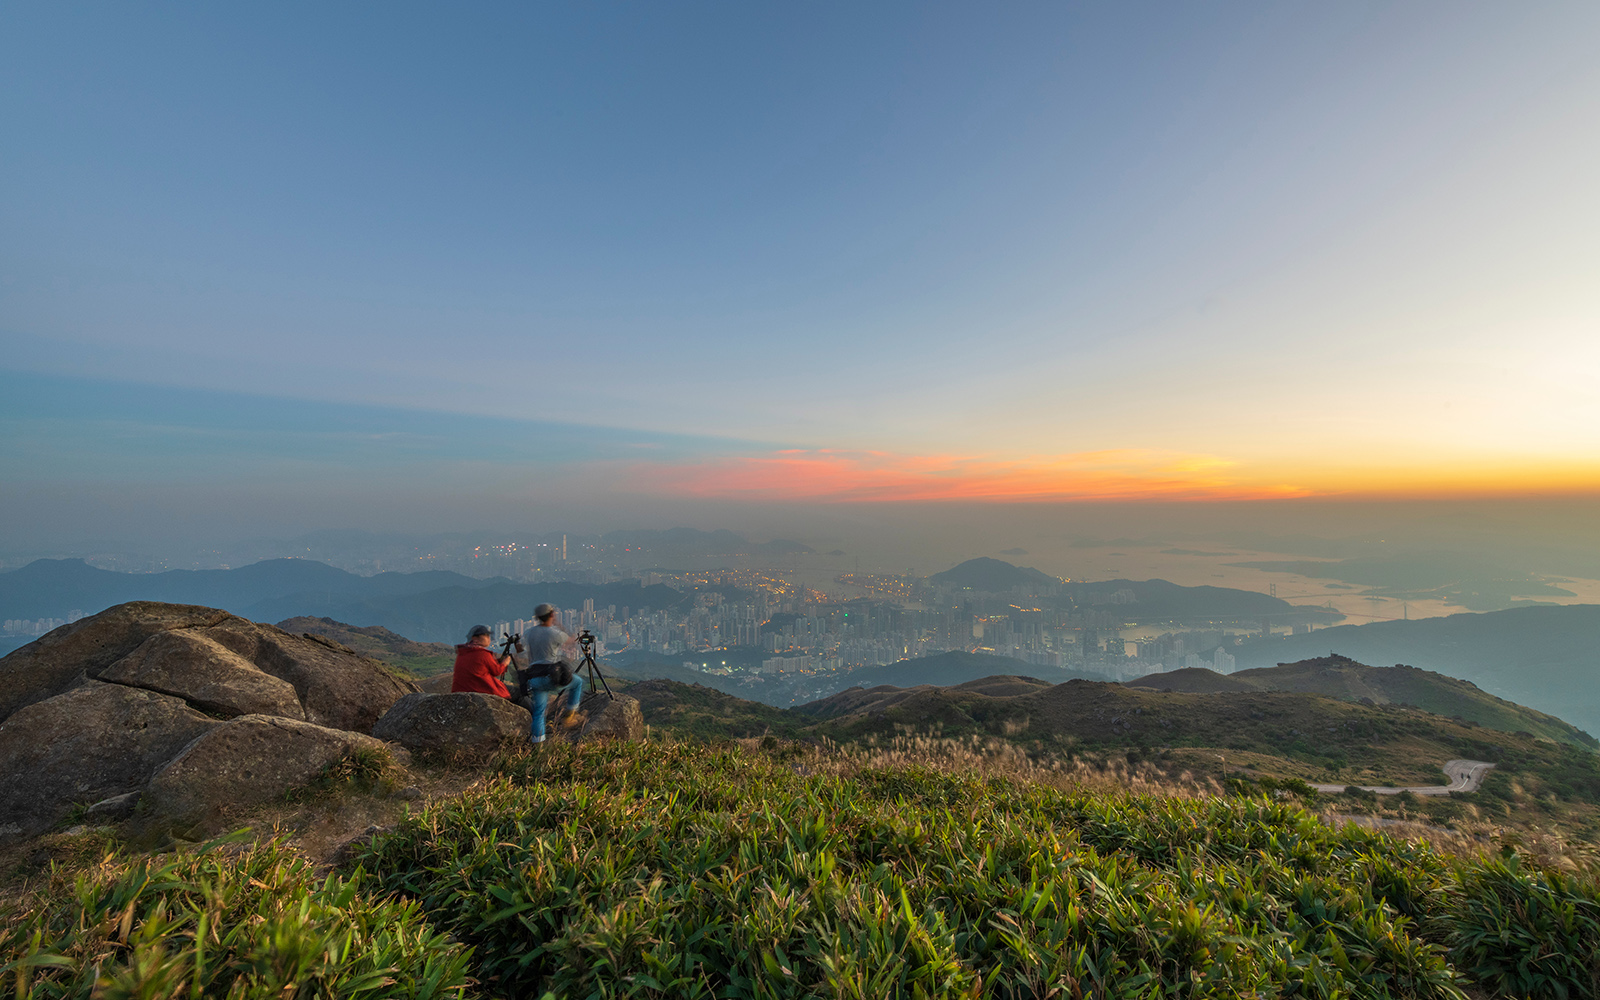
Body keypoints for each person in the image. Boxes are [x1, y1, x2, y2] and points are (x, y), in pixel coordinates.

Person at [520, 603, 586, 743]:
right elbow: (571, 641)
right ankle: (569, 716)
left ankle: (538, 744)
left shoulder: (529, 632)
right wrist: (558, 624)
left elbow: (519, 647)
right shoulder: (554, 633)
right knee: (578, 682)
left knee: (539, 713)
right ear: (551, 615)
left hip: (535, 679)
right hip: (552, 677)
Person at [451, 624, 512, 698]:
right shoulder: (482, 653)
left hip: (461, 690)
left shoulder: (463, 652)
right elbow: (497, 671)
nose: (489, 638)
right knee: (514, 693)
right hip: (479, 690)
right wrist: (505, 663)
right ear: (475, 639)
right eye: (486, 636)